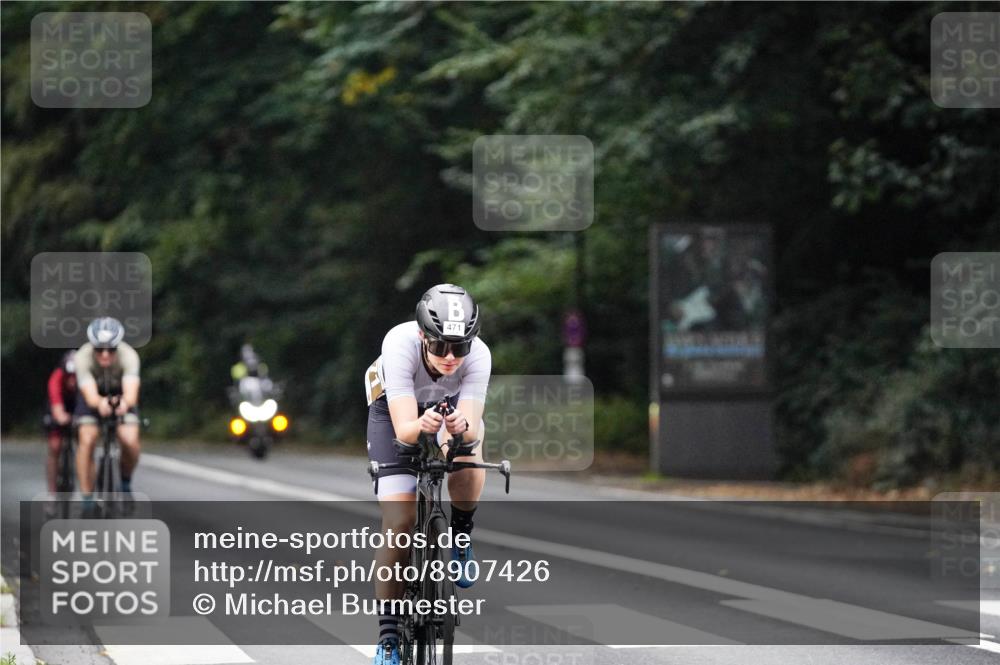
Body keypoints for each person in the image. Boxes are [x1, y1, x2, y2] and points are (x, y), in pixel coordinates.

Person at [364, 284, 490, 665]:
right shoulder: (399, 344)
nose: (451, 357)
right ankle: (388, 638)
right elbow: (405, 431)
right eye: (440, 347)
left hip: (447, 409)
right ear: (423, 335)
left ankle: (461, 535)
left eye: (460, 347)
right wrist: (422, 426)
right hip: (395, 412)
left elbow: (470, 428)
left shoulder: (479, 355)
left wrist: (458, 429)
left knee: (469, 454)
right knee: (400, 521)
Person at [74, 317, 142, 508]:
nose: (105, 355)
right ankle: (87, 498)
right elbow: (89, 395)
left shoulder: (129, 356)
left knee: (129, 440)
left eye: (111, 350)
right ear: (92, 347)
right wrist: (99, 403)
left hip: (120, 395)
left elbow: (131, 393)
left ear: (117, 347)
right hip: (93, 397)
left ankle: (125, 482)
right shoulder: (82, 357)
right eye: (99, 349)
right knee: (87, 439)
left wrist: (124, 403)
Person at [44, 350, 78, 493]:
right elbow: (57, 406)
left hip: (76, 405)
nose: (72, 381)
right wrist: (60, 416)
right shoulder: (56, 378)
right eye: (68, 376)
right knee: (55, 446)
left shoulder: (85, 380)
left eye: (74, 377)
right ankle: (52, 492)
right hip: (58, 406)